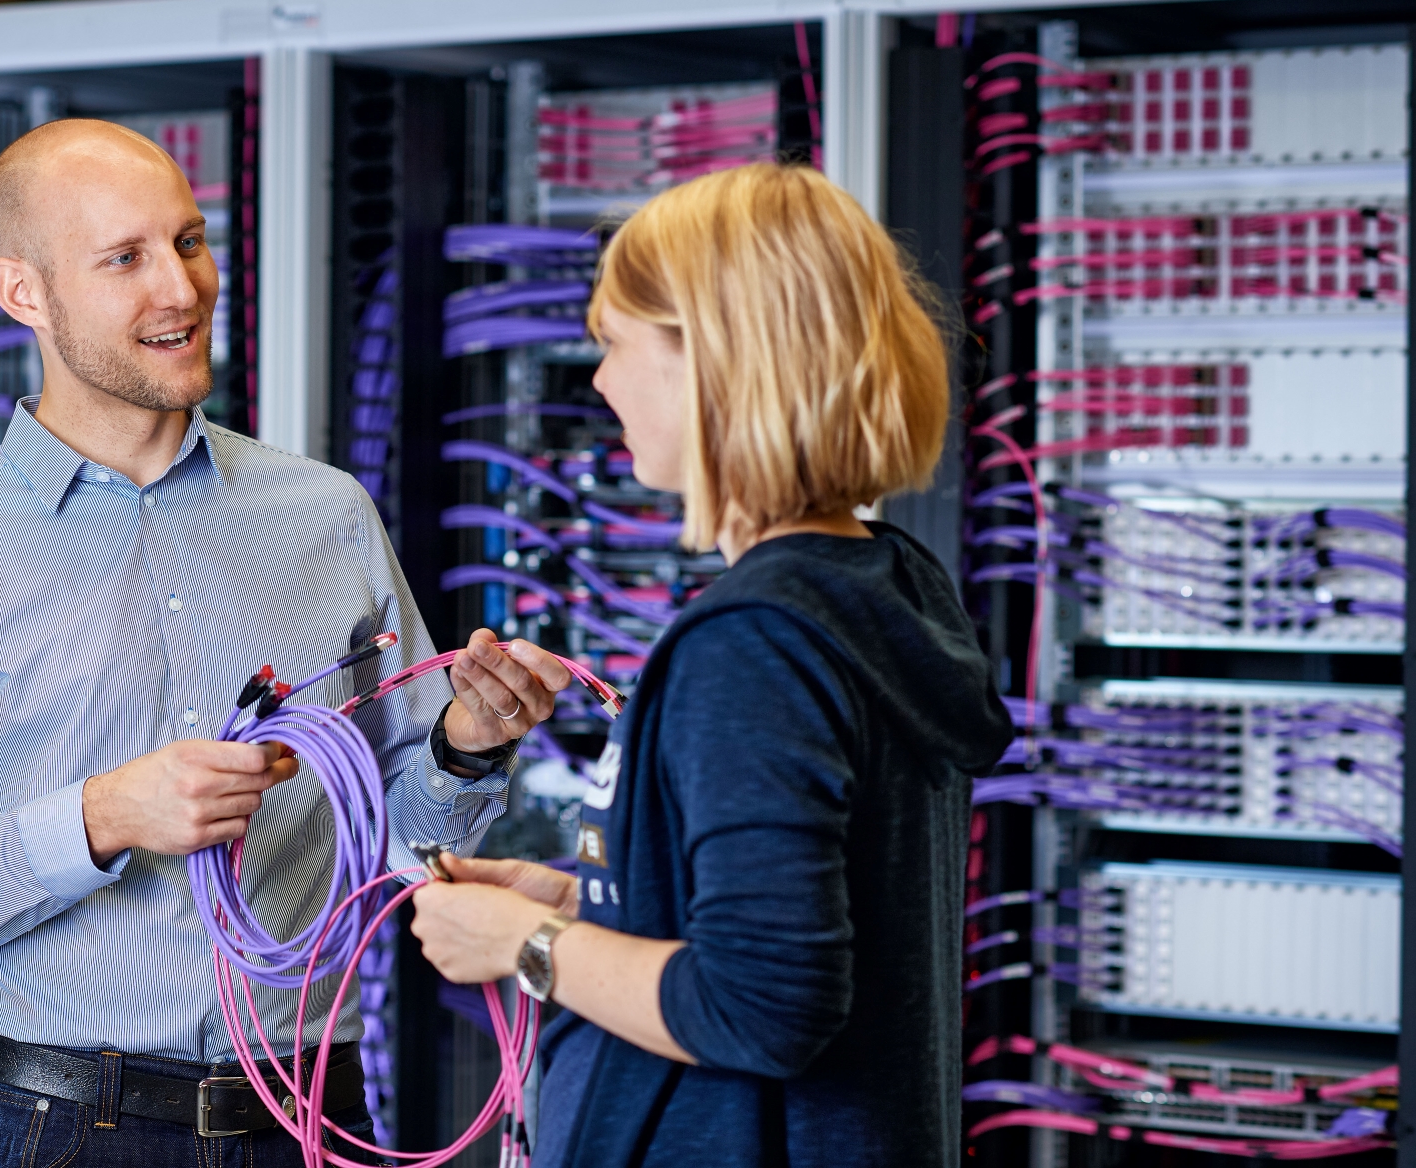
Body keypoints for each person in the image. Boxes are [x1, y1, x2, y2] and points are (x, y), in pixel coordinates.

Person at [0, 118, 573, 1167]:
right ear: (22, 293)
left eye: (188, 241)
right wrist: (100, 817)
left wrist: (463, 744)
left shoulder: (325, 514)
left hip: (308, 1116)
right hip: (50, 1128)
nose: (180, 289)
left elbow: (399, 835)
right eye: (123, 259)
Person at [409, 162, 1015, 1167]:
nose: (597, 381)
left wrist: (527, 947)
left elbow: (765, 1006)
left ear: (714, 360)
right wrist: (578, 902)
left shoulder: (751, 643)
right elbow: (806, 927)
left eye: (613, 343)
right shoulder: (882, 586)